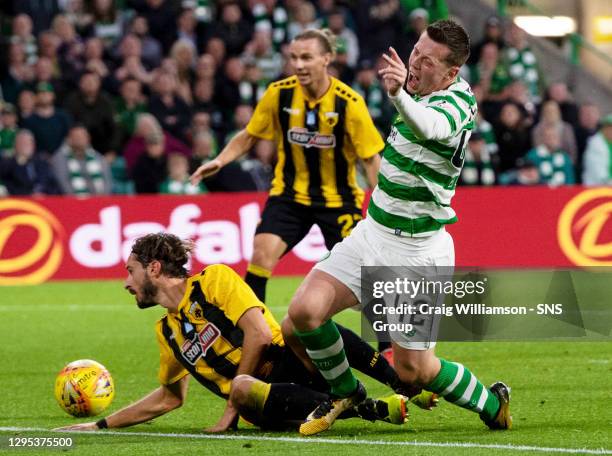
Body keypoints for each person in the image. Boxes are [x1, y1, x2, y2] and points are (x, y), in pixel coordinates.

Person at [283, 20, 511, 436]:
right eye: (415, 53)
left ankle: (492, 402)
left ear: (451, 73)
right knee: (304, 313)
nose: (415, 64)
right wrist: (404, 93)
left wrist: (399, 96)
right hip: (373, 234)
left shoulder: (458, 103)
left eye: (427, 61)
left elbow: (431, 127)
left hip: (418, 253)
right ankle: (346, 393)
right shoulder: (414, 89)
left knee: (413, 372)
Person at [55, 233, 435, 433]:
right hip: (263, 400)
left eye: (131, 271)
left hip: (288, 361)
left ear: (154, 269)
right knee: (241, 387)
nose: (126, 282)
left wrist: (229, 411)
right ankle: (368, 407)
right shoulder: (168, 332)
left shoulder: (213, 280)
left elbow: (258, 334)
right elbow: (168, 399)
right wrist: (102, 424)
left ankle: (400, 383)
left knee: (300, 326)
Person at [191, 29, 383, 305]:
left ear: (326, 59)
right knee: (260, 256)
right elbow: (249, 135)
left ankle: (387, 346)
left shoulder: (349, 102)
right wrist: (220, 160)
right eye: (294, 57)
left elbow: (370, 158)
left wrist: (381, 205)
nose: (299, 64)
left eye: (307, 57)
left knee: (362, 270)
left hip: (338, 200)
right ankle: (256, 336)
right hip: (289, 196)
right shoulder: (278, 94)